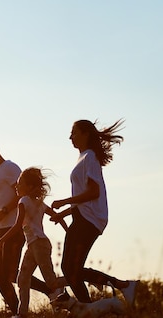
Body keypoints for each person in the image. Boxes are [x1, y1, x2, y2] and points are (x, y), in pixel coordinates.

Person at [50, 119, 138, 306]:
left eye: (73, 132)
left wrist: (64, 201)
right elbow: (84, 197)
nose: (70, 137)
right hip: (83, 217)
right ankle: (92, 310)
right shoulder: (84, 157)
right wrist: (64, 213)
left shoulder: (89, 157)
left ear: (85, 134)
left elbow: (93, 193)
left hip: (89, 220)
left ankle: (121, 286)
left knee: (70, 268)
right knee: (71, 269)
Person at [0, 141, 54, 315]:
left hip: (14, 227)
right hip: (2, 227)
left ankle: (47, 294)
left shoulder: (9, 168)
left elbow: (22, 195)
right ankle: (17, 312)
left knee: (10, 273)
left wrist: (3, 212)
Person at [0, 167, 67, 318]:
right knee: (22, 279)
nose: (16, 187)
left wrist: (2, 240)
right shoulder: (38, 202)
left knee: (51, 282)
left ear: (28, 187)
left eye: (19, 184)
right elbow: (56, 216)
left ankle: (75, 279)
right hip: (34, 245)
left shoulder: (23, 201)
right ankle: (22, 316)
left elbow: (16, 226)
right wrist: (66, 229)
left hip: (38, 245)